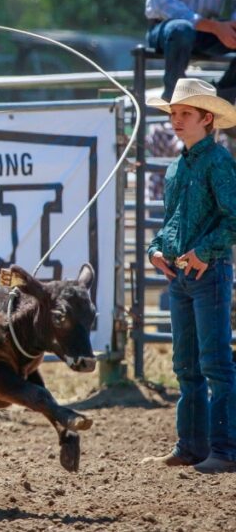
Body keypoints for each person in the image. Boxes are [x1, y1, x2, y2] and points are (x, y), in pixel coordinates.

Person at [145, 78, 236, 474]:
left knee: (214, 362)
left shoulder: (220, 163)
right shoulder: (176, 167)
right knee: (186, 364)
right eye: (174, 114)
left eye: (185, 114)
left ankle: (225, 449)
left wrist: (202, 251)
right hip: (184, 276)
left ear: (207, 119)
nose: (176, 120)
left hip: (210, 272)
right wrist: (155, 249)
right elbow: (170, 224)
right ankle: (192, 446)